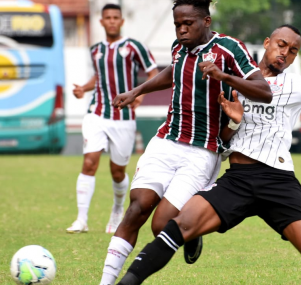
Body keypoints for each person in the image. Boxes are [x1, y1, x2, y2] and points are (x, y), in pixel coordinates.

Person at [116, 20, 301, 285]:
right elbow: (222, 136)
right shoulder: (233, 80)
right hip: (237, 179)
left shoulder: (298, 86)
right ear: (267, 43)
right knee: (175, 227)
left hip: (278, 181)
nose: (285, 53)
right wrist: (234, 121)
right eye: (281, 44)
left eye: (293, 50)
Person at [99, 1, 273, 284]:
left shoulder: (230, 48)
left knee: (162, 225)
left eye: (187, 24)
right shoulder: (178, 48)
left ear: (206, 20)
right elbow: (174, 71)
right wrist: (137, 90)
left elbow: (264, 91)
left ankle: (193, 234)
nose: (181, 30)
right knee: (136, 209)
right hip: (167, 140)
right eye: (177, 24)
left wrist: (223, 75)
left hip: (202, 151)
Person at [66, 4, 159, 234]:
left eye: (115, 17)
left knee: (118, 171)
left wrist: (141, 95)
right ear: (101, 21)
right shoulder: (96, 49)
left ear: (121, 21)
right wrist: (84, 89)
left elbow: (153, 73)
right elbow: (99, 77)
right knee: (89, 162)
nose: (111, 21)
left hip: (124, 117)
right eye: (107, 17)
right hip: (96, 113)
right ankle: (81, 219)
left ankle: (117, 209)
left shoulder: (133, 47)